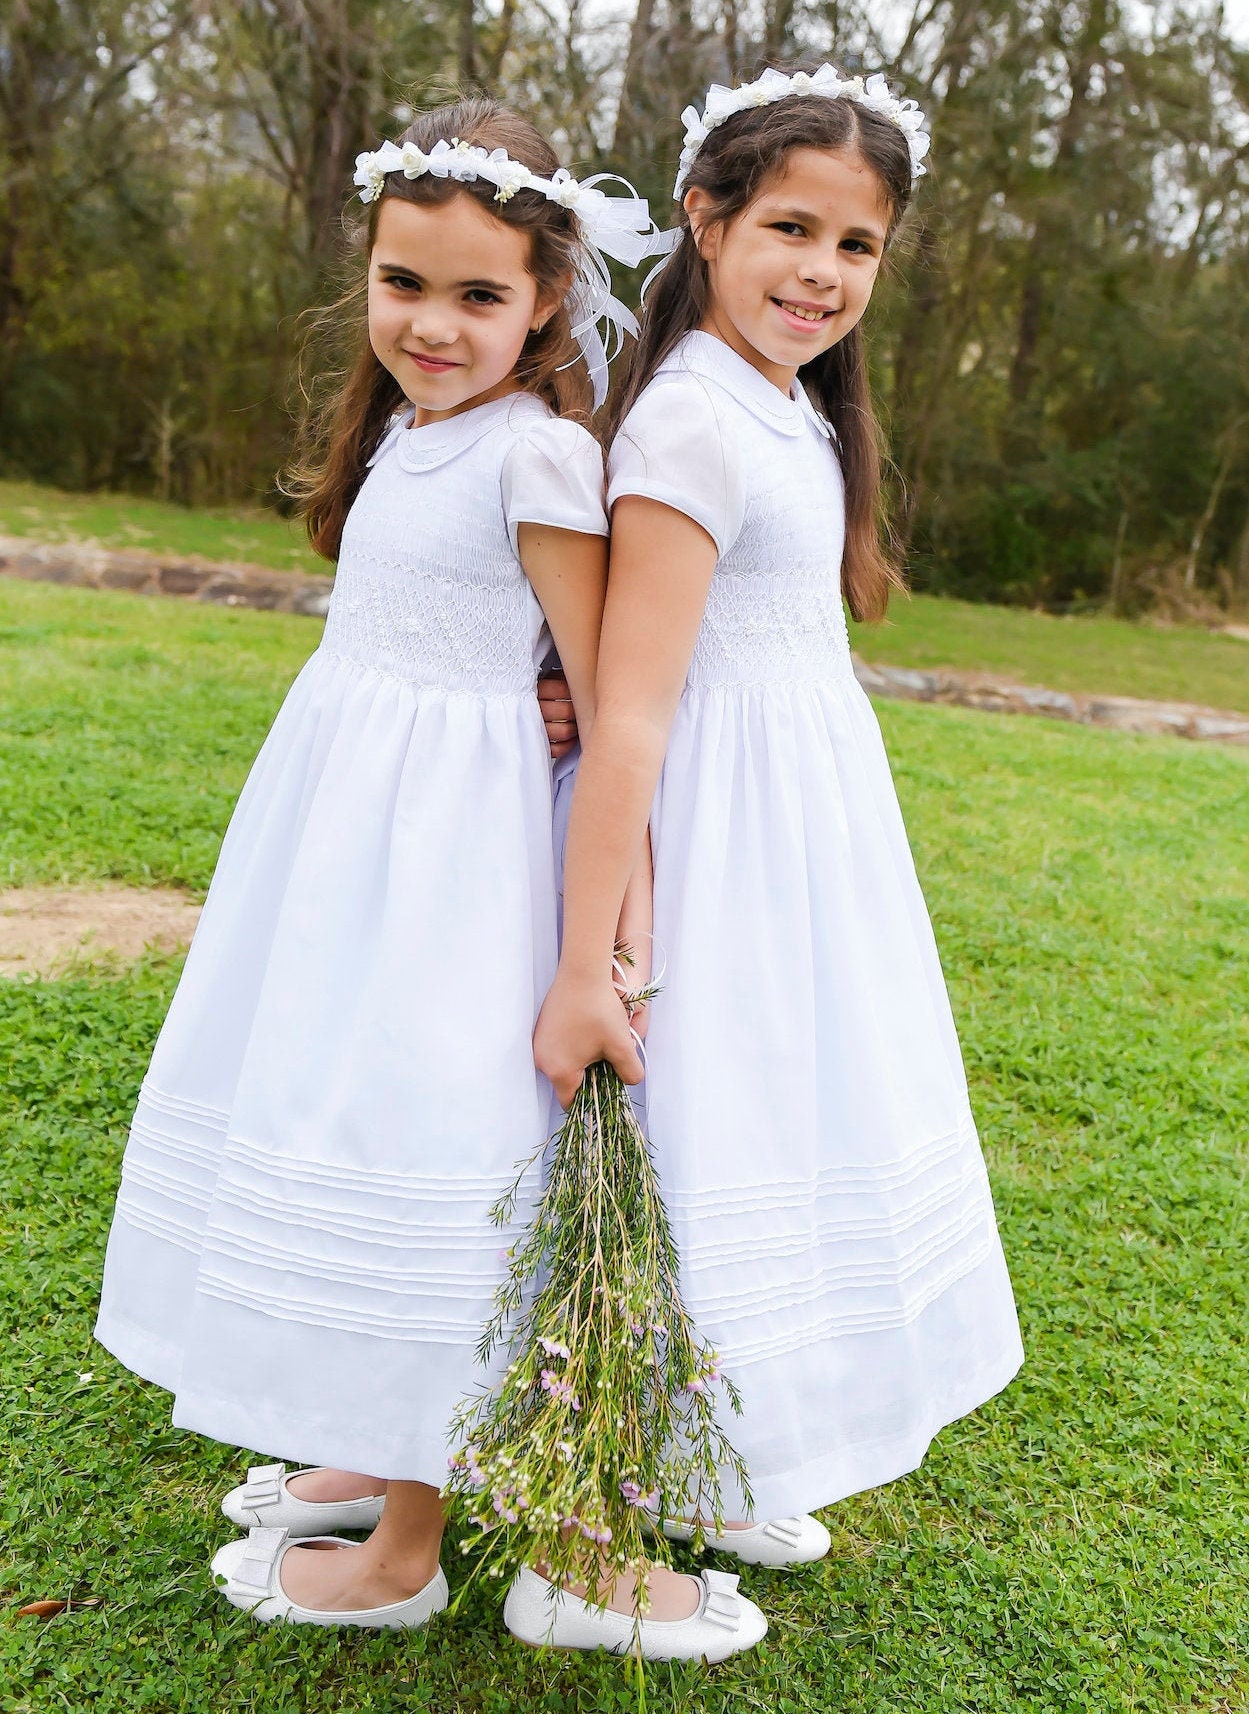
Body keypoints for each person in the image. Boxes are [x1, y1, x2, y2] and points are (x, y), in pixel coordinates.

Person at [93, 97, 670, 1637]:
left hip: (455, 862)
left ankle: (409, 1544)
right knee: (333, 1100)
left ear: (547, 297)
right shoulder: (409, 439)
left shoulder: (541, 456)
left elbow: (608, 686)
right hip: (343, 835)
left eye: (480, 294)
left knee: (434, 1138)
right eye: (403, 283)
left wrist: (616, 918)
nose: (434, 322)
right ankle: (357, 1433)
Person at [534, 62, 1025, 1637]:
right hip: (716, 837)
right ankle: (591, 1532)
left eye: (857, 245)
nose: (821, 272)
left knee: (785, 1115)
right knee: (707, 1127)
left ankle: (709, 1451)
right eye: (789, 228)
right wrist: (590, 946)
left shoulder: (789, 406)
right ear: (705, 216)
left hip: (809, 827)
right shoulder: (686, 420)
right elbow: (632, 713)